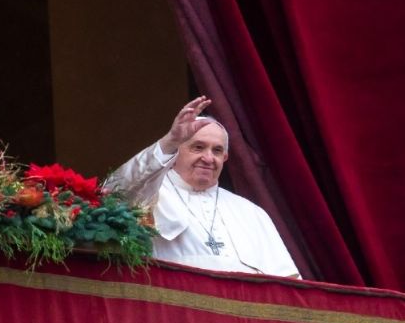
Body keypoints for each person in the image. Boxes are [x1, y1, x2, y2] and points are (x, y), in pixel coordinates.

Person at [106, 97, 299, 277]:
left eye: (217, 151)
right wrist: (170, 141)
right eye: (198, 147)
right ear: (177, 149)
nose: (208, 158)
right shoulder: (147, 193)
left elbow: (287, 283)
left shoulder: (252, 213)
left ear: (225, 158)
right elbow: (112, 194)